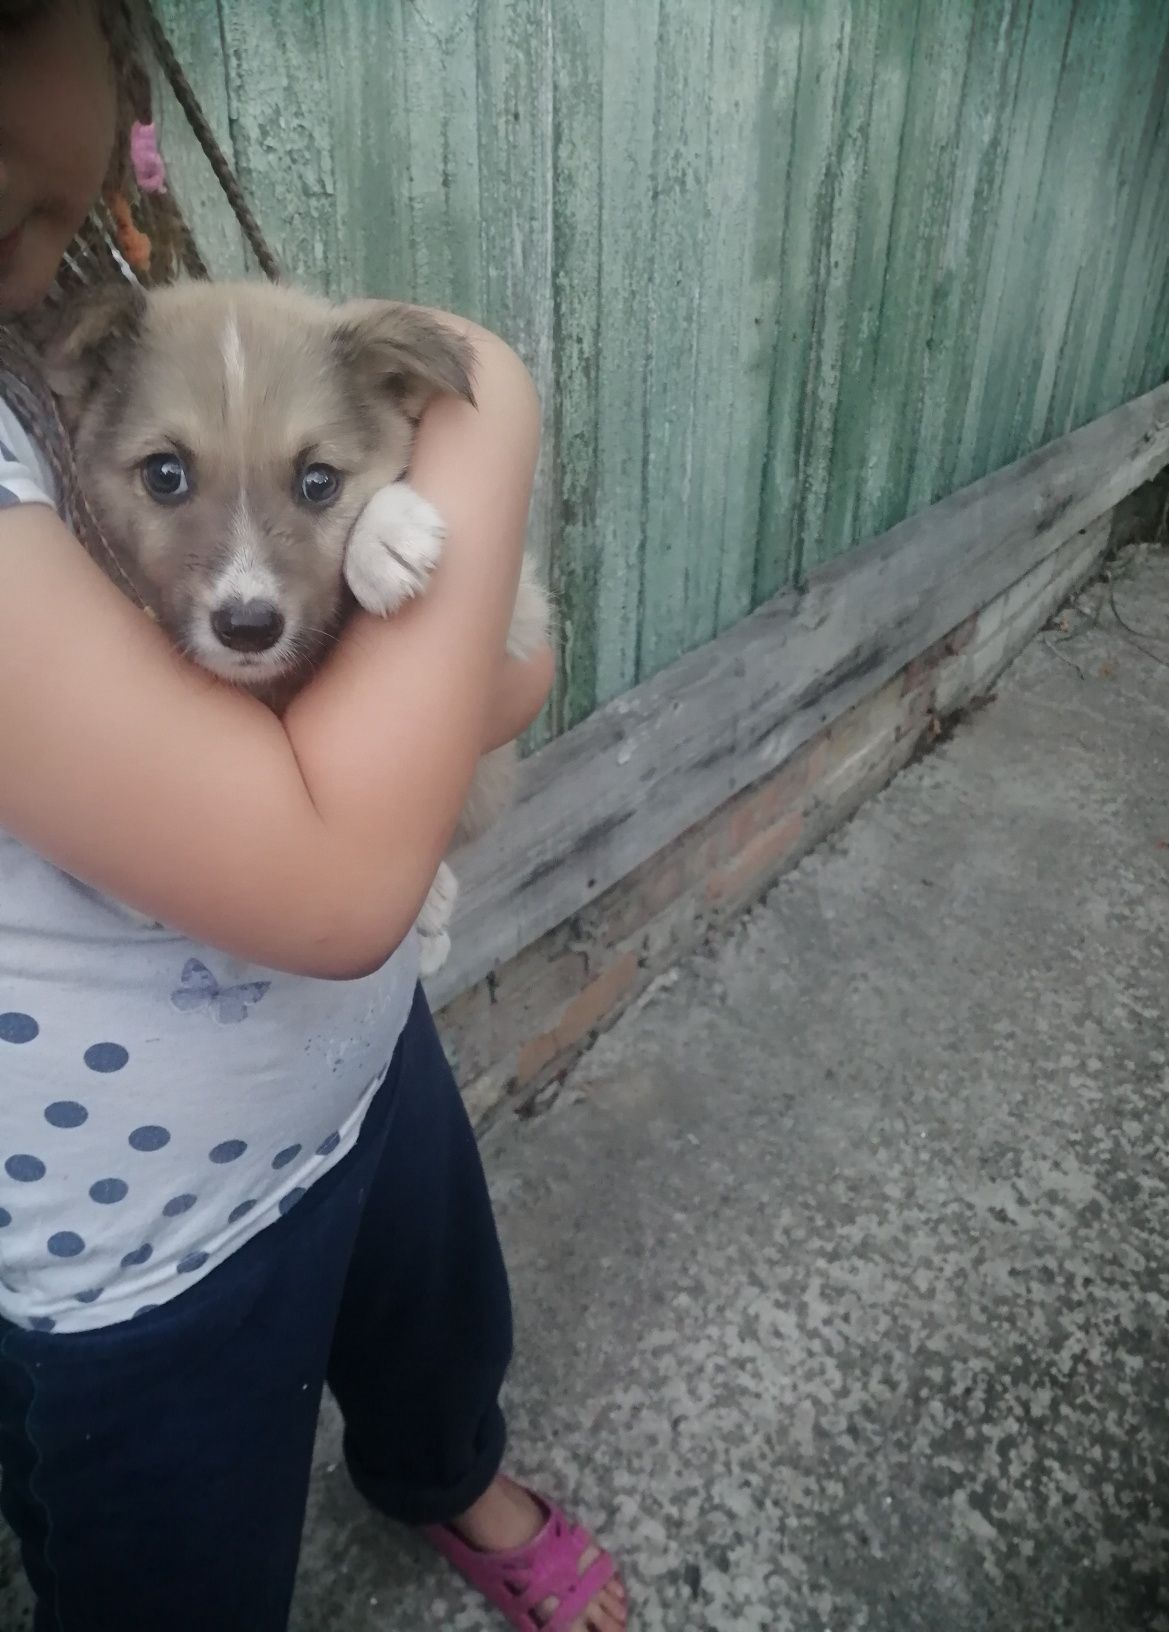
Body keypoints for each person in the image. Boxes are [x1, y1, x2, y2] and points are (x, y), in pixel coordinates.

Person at [0, 3, 627, 1629]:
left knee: (435, 1320)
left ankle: (445, 1468)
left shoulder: (91, 317)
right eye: (169, 482)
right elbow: (350, 845)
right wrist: (490, 395)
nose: (242, 576)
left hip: (359, 1060)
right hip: (144, 1250)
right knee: (175, 1570)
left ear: (114, 42)